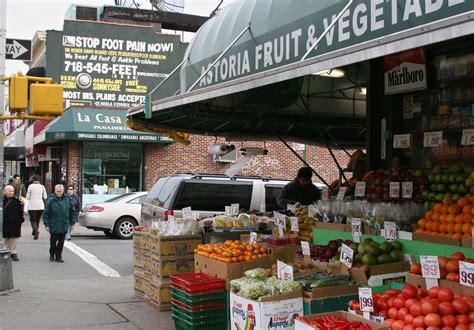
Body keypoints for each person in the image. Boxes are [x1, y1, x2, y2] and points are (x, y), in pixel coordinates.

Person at [43, 184, 76, 263]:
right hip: (54, 224)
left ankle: (59, 256)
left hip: (64, 224)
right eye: (57, 191)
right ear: (55, 191)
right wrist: (46, 224)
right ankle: (52, 253)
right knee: (53, 241)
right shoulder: (51, 200)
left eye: (60, 191)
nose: (59, 193)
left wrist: (72, 223)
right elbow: (46, 213)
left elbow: (72, 212)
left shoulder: (68, 199)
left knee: (61, 242)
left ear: (63, 191)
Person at [3, 185, 24, 261]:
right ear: (4, 191)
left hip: (15, 223)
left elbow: (20, 211)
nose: (11, 193)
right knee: (4, 238)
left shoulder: (16, 200)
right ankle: (4, 252)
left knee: (14, 239)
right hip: (4, 223)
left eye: (12, 191)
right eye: (9, 191)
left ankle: (13, 253)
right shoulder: (2, 200)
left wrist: (20, 220)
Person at [25, 175, 48, 240]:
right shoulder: (42, 187)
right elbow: (45, 196)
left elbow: (28, 197)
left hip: (32, 205)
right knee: (37, 219)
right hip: (40, 205)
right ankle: (35, 230)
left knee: (33, 219)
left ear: (33, 180)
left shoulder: (30, 186)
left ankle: (36, 230)